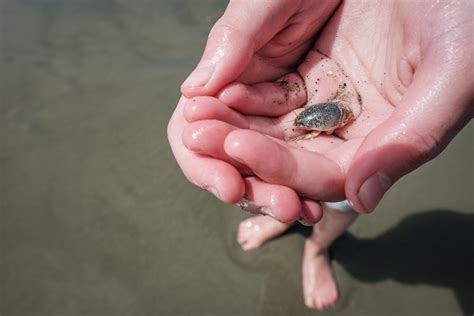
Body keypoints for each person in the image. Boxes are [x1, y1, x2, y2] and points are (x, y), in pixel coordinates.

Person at [168, 0, 473, 310]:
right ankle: (282, 220)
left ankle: (316, 248)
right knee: (283, 172)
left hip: (360, 136)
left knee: (345, 190)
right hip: (313, 112)